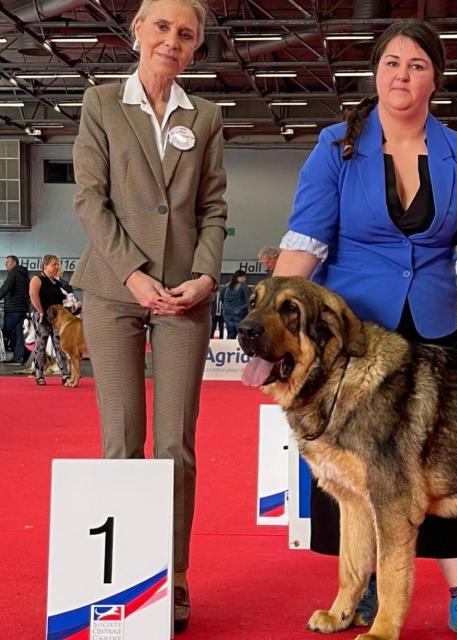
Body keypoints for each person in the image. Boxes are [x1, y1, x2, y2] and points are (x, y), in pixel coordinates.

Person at [272, 19, 457, 640]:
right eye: (392, 62)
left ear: (435, 79)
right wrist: (275, 323)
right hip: (350, 340)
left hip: (434, 331)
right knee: (348, 470)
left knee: (439, 465)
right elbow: (306, 243)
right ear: (375, 72)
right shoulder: (335, 146)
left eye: (417, 65)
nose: (402, 75)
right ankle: (357, 595)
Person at [71, 0, 227, 631]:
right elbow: (89, 197)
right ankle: (125, 572)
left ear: (194, 48)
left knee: (175, 446)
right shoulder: (101, 103)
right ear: (137, 30)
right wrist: (134, 275)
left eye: (185, 34)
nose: (172, 41)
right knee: (122, 442)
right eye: (161, 27)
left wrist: (207, 277)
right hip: (114, 293)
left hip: (185, 297)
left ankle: (174, 574)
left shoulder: (207, 116)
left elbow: (214, 209)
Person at [28, 254, 70, 385]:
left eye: (58, 264)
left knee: (60, 346)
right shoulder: (37, 278)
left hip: (57, 319)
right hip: (42, 317)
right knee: (41, 345)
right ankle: (39, 374)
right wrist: (40, 312)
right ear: (46, 265)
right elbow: (33, 295)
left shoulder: (57, 282)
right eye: (54, 264)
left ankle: (65, 375)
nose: (57, 267)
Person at [0, 255, 30, 364]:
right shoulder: (25, 275)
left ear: (14, 263)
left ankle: (22, 353)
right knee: (18, 333)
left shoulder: (13, 273)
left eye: (8, 262)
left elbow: (5, 288)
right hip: (22, 308)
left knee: (6, 331)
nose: (6, 264)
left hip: (13, 309)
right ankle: (19, 356)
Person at [222, 269, 251, 338]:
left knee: (230, 333)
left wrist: (226, 306)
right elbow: (248, 300)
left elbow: (221, 297)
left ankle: (229, 348)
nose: (245, 279)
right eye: (244, 277)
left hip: (227, 312)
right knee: (241, 335)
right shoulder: (243, 287)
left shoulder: (226, 286)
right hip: (239, 313)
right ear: (239, 277)